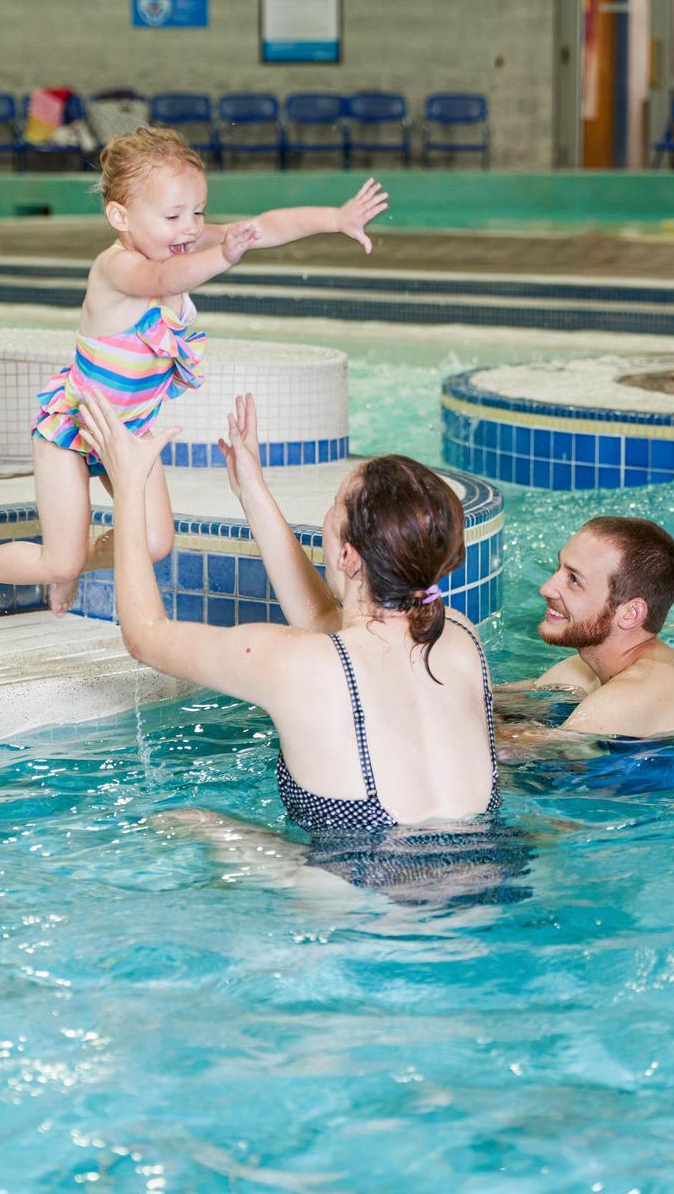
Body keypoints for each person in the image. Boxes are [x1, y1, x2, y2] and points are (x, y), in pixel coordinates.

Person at [80, 388, 524, 905]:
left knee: (182, 819)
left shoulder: (293, 663)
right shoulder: (461, 637)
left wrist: (130, 487)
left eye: (333, 507)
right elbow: (328, 625)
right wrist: (252, 488)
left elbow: (145, 634)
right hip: (495, 882)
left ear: (346, 553)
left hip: (364, 908)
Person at [0, 128, 388, 623]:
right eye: (172, 216)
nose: (190, 227)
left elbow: (263, 227)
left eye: (198, 212)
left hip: (127, 432)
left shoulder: (179, 242)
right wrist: (224, 255)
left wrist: (334, 218)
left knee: (153, 542)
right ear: (120, 216)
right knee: (58, 557)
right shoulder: (119, 268)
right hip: (75, 430)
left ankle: (77, 562)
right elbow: (166, 280)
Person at [504, 516, 674, 741]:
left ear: (630, 614)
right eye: (559, 568)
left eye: (574, 580)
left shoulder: (634, 694)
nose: (546, 588)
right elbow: (490, 700)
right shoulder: (585, 669)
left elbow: (508, 761)